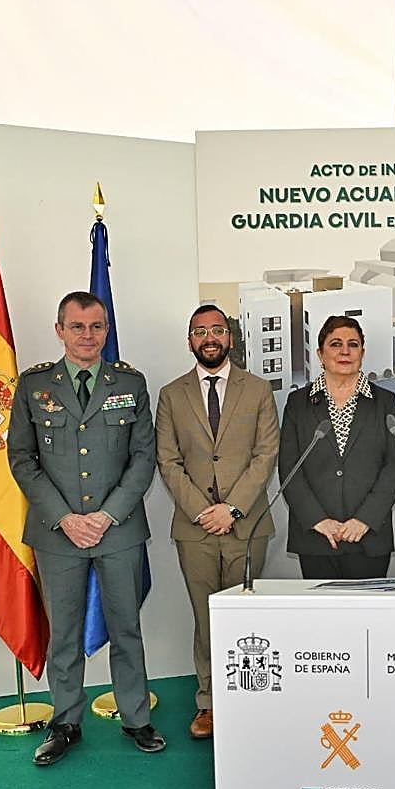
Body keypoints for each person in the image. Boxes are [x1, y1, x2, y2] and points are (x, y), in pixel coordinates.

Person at [7, 290, 164, 765]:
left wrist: (105, 515)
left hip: (116, 528)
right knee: (66, 633)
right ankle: (65, 722)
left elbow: (143, 457)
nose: (88, 335)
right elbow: (22, 458)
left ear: (106, 330)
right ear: (60, 330)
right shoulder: (35, 386)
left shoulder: (130, 382)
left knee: (126, 627)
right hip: (59, 532)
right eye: (77, 327)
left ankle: (136, 717)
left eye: (96, 326)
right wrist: (65, 518)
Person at [155, 304, 279, 739]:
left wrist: (233, 508)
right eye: (200, 331)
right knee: (206, 619)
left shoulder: (259, 390)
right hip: (195, 529)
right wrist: (202, 512)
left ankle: (249, 698)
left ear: (231, 337)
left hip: (247, 527)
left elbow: (266, 456)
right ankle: (209, 703)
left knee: (246, 619)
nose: (209, 337)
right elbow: (168, 461)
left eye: (217, 330)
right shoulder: (172, 394)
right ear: (190, 340)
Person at [280, 316, 395, 577]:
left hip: (368, 537)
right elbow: (289, 468)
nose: (345, 351)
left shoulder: (385, 402)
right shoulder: (298, 403)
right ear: (320, 353)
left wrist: (364, 520)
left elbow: (394, 466)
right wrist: (318, 521)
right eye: (335, 344)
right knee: (321, 618)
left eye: (353, 344)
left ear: (363, 352)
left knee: (366, 618)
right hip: (316, 538)